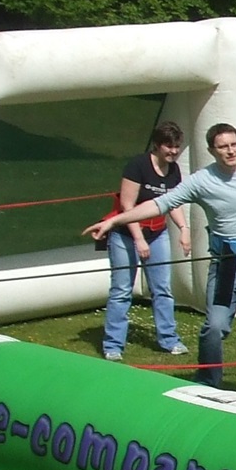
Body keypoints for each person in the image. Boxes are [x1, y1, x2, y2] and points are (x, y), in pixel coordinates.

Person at [85, 123, 236, 400]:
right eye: (223, 147)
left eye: (234, 144)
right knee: (214, 328)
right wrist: (115, 221)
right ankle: (207, 383)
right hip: (226, 267)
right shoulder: (200, 181)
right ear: (211, 151)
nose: (230, 151)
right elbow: (160, 204)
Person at [99, 121, 192, 361]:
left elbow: (173, 202)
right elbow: (126, 207)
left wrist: (183, 229)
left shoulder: (173, 170)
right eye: (168, 147)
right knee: (121, 290)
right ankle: (113, 345)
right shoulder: (137, 166)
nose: (173, 151)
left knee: (162, 288)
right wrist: (139, 240)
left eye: (177, 147)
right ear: (157, 145)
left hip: (157, 233)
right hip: (126, 235)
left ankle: (169, 339)